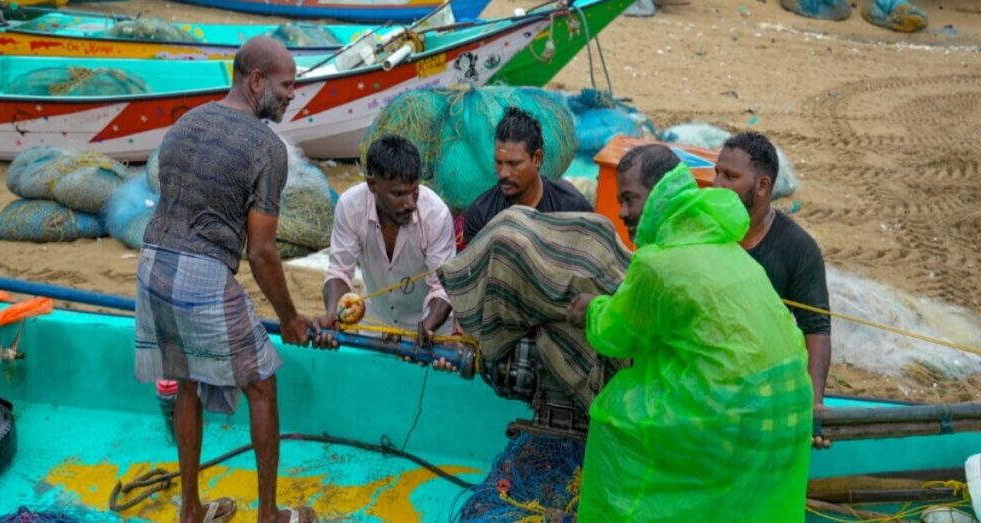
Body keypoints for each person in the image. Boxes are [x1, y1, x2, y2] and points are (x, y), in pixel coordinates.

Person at [567, 144, 812, 522]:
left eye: (631, 199)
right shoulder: (724, 245)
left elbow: (615, 335)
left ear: (660, 193)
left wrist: (592, 308)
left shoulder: (656, 262)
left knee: (615, 419)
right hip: (791, 399)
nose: (623, 213)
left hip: (732, 407)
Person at [135, 36, 316, 523]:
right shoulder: (266, 148)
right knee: (261, 385)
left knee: (187, 382)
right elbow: (261, 252)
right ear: (256, 81)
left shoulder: (186, 122)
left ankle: (191, 510)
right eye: (286, 85)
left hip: (151, 265)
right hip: (200, 274)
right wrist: (291, 318)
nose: (292, 95)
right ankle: (270, 515)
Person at [713, 131, 831, 447]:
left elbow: (816, 327)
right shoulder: (706, 230)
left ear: (763, 187)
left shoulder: (797, 248)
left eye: (731, 177)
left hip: (761, 384)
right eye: (717, 173)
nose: (717, 185)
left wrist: (813, 408)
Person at [316, 135, 457, 364]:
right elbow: (339, 272)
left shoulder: (435, 214)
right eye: (398, 194)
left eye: (415, 191)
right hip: (375, 326)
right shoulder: (350, 206)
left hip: (431, 332)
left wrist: (427, 329)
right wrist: (333, 313)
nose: (410, 203)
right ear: (373, 185)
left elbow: (442, 289)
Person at [462, 107, 592, 245]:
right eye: (499, 162)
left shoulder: (571, 207)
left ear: (537, 158)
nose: (504, 173)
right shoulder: (481, 214)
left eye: (514, 164)